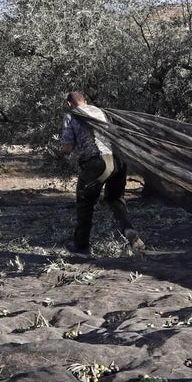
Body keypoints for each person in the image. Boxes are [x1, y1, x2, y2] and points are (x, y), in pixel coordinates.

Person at [59, 91, 140, 257]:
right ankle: (131, 234)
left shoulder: (71, 115)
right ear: (86, 101)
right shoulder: (101, 111)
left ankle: (81, 247)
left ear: (69, 104)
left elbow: (67, 148)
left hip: (98, 162)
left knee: (85, 201)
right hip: (118, 160)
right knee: (115, 199)